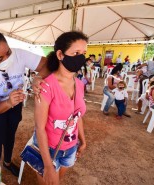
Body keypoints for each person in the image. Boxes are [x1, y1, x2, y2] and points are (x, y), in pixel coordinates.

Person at [0, 29, 49, 176]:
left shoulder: (19, 54)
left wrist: (38, 78)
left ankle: (7, 162)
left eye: (7, 52)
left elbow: (46, 64)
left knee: (10, 136)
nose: (6, 59)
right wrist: (7, 102)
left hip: (15, 107)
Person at [34, 31, 87, 185]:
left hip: (70, 147)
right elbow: (39, 127)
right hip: (49, 150)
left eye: (84, 53)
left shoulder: (79, 84)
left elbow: (77, 117)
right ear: (60, 54)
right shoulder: (46, 86)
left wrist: (82, 140)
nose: (81, 58)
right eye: (76, 53)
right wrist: (48, 165)